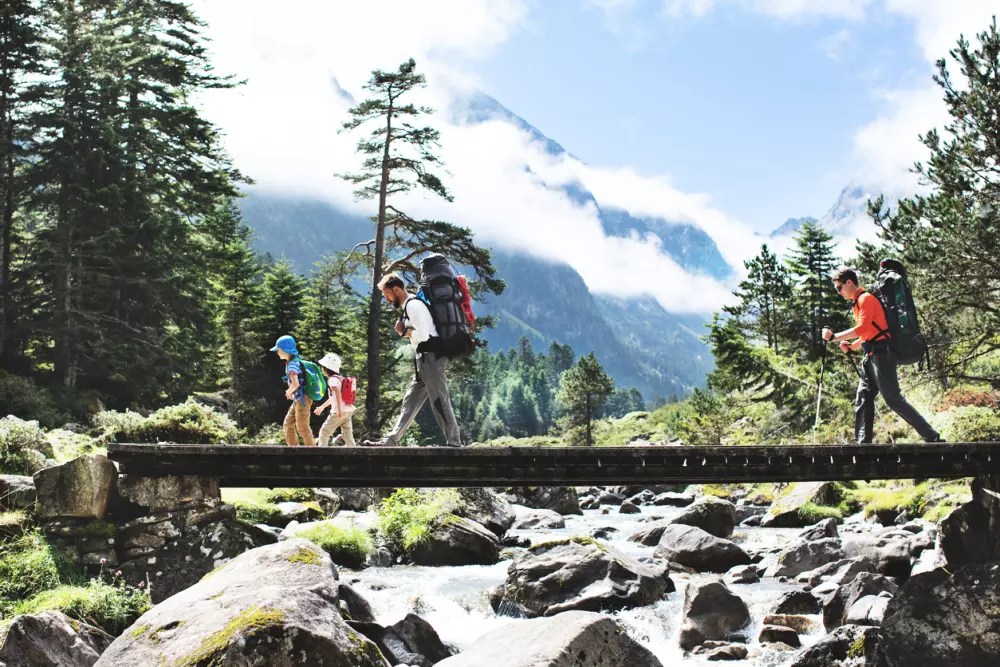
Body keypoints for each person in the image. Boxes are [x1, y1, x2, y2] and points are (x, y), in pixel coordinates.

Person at [822, 267, 941, 444]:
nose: (839, 292)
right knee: (863, 396)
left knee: (893, 399)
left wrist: (834, 337)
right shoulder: (857, 302)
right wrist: (853, 346)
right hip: (871, 355)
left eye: (839, 288)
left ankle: (931, 436)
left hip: (882, 354)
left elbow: (862, 328)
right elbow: (868, 332)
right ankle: (863, 443)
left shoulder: (866, 299)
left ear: (849, 282)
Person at [365, 272, 462, 447]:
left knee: (440, 401)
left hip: (430, 358)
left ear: (396, 289)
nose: (387, 299)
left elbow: (423, 335)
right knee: (410, 401)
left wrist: (404, 331)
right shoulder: (410, 305)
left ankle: (454, 443)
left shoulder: (413, 305)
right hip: (424, 360)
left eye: (387, 294)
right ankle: (392, 439)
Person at [270, 334, 316, 447]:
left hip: (303, 399)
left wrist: (288, 391)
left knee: (302, 428)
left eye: (278, 350)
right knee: (288, 424)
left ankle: (313, 452)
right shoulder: (294, 361)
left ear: (285, 350)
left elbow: (295, 384)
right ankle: (293, 449)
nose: (277, 352)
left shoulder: (292, 365)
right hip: (298, 399)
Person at [314, 352, 356, 446]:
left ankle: (321, 451)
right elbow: (334, 397)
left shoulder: (332, 380)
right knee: (347, 433)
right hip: (347, 410)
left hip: (339, 411)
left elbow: (337, 393)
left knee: (324, 431)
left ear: (327, 368)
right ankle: (352, 449)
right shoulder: (340, 379)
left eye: (323, 367)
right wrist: (322, 407)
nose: (322, 369)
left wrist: (339, 410)